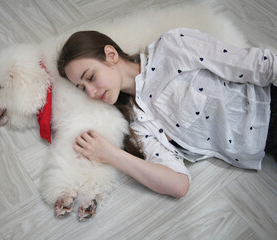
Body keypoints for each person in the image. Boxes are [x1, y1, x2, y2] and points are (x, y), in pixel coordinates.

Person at [57, 28, 277, 198]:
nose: (92, 92)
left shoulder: (172, 47)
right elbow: (179, 185)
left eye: (91, 77)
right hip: (268, 146)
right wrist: (111, 155)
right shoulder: (138, 122)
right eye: (82, 88)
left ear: (111, 54)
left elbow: (258, 65)